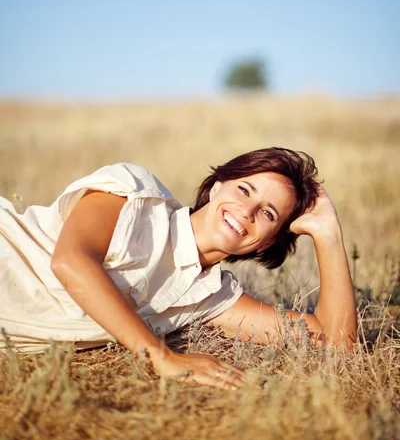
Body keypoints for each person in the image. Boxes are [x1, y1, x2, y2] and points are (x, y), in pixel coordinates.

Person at [0, 147, 357, 389]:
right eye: (245, 190)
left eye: (268, 214)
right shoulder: (137, 193)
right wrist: (161, 356)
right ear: (217, 187)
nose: (247, 211)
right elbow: (71, 261)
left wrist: (329, 235)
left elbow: (337, 344)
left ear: (267, 242)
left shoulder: (211, 298)